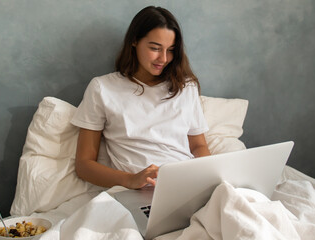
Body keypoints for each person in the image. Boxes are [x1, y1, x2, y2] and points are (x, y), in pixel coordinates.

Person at [70, 6, 210, 190]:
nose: (164, 58)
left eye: (171, 50)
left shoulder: (186, 87)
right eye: (155, 48)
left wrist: (208, 178)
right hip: (136, 192)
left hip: (185, 186)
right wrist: (131, 180)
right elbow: (84, 165)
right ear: (135, 41)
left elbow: (198, 146)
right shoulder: (102, 88)